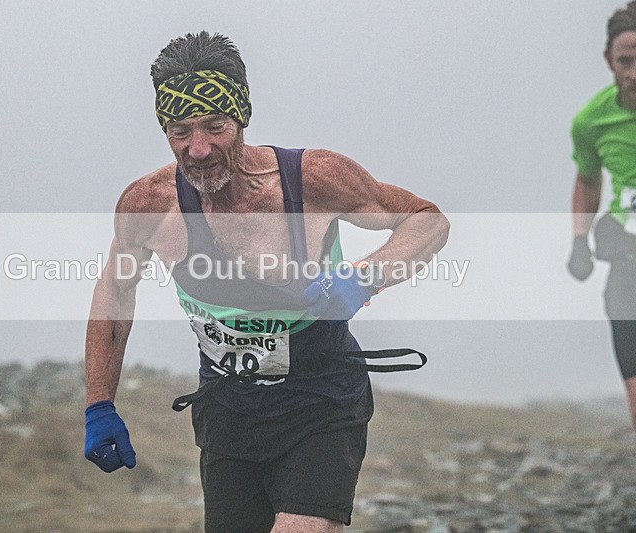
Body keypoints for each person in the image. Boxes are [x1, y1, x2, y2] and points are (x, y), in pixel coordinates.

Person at [84, 31, 449, 532]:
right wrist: (99, 404)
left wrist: (366, 278)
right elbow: (115, 291)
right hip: (227, 408)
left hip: (320, 397)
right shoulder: (149, 205)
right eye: (180, 131)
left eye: (215, 126)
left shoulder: (312, 180)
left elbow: (427, 221)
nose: (200, 148)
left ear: (242, 117)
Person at [568, 1, 636, 432]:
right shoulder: (591, 121)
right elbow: (588, 181)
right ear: (609, 60)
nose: (635, 72)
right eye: (626, 61)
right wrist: (579, 240)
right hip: (627, 258)